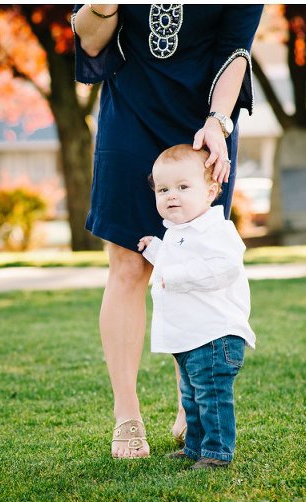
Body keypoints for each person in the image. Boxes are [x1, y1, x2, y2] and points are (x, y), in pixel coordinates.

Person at [71, 4, 263, 458]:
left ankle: (189, 405)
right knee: (129, 266)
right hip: (131, 112)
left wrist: (217, 122)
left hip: (205, 121)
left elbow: (235, 50)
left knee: (194, 256)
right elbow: (92, 41)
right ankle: (127, 414)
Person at [137, 144, 255, 469]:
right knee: (190, 396)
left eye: (183, 187)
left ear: (211, 191)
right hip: (189, 336)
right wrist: (156, 251)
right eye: (163, 189)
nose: (171, 195)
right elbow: (176, 263)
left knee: (212, 396)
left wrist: (172, 274)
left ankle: (216, 453)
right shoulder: (177, 232)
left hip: (215, 335)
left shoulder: (217, 230)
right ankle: (194, 446)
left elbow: (222, 268)